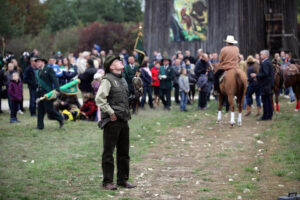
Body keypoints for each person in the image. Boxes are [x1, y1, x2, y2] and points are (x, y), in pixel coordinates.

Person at [95, 55, 136, 190]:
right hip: (112, 121)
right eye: (117, 61)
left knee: (124, 152)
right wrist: (110, 112)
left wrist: (135, 96)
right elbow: (100, 99)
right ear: (111, 66)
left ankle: (122, 180)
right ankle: (107, 182)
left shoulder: (123, 79)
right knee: (109, 152)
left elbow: (122, 99)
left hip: (124, 120)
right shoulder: (107, 80)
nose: (120, 62)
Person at [35, 58, 64, 129]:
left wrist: (57, 89)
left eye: (38, 62)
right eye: (36, 62)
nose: (37, 63)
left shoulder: (48, 69)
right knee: (40, 110)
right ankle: (40, 126)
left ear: (43, 62)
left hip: (48, 93)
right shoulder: (37, 71)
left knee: (49, 110)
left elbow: (54, 79)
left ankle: (60, 118)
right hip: (40, 93)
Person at [250, 50, 274, 121]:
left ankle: (265, 116)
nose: (260, 56)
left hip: (265, 85)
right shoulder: (268, 62)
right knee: (269, 100)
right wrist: (257, 78)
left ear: (266, 55)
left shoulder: (265, 63)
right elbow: (267, 74)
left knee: (265, 100)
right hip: (268, 84)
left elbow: (266, 73)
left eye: (261, 54)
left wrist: (256, 75)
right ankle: (269, 115)